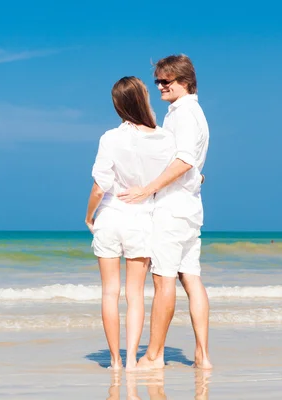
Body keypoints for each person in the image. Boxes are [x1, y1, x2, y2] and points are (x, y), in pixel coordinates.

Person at [117, 54, 212, 369]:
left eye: (165, 81)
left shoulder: (183, 114)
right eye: (157, 80)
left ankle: (154, 355)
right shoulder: (195, 112)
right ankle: (202, 355)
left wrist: (147, 188)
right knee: (192, 278)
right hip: (190, 205)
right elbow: (192, 165)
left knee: (164, 279)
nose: (159, 86)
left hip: (172, 208)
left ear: (184, 82)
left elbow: (184, 159)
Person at [85, 76, 176, 370]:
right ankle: (134, 359)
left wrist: (89, 216)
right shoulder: (165, 139)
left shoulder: (110, 137)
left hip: (110, 216)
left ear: (118, 105)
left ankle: (114, 361)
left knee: (109, 292)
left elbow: (100, 186)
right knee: (134, 294)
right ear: (143, 98)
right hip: (142, 219)